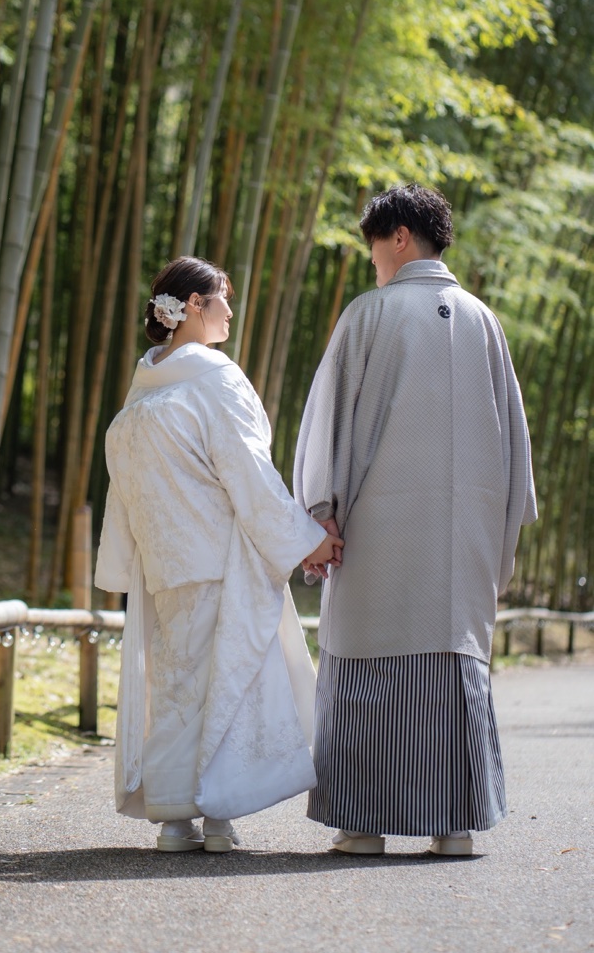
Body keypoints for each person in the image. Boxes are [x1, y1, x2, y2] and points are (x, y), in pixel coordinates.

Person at [293, 184, 537, 858]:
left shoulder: (369, 313)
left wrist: (319, 514)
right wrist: (500, 532)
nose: (372, 259)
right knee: (452, 664)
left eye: (373, 244)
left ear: (398, 236)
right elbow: (515, 448)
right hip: (464, 541)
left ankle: (362, 823)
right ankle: (453, 824)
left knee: (368, 667)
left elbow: (327, 426)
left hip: (378, 535)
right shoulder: (482, 319)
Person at [95, 255, 341, 853]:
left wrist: (131, 557)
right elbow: (249, 473)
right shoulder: (214, 377)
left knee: (176, 688)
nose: (231, 310)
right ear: (195, 306)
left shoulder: (144, 384)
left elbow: (124, 482)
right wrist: (309, 539)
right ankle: (219, 815)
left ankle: (175, 818)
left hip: (165, 564)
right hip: (217, 558)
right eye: (223, 298)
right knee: (227, 681)